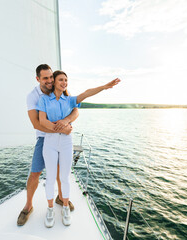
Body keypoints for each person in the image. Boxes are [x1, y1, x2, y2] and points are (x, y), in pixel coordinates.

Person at [37, 70, 120, 227]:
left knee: (64, 177)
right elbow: (42, 121)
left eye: (66, 80)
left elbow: (87, 93)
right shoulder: (44, 100)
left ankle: (66, 207)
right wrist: (63, 127)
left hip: (66, 142)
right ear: (54, 81)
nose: (64, 82)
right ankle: (49, 209)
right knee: (50, 177)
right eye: (61, 79)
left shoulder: (69, 100)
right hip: (50, 141)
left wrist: (104, 86)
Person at [17, 64, 79, 226]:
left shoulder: (60, 88)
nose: (50, 81)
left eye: (51, 77)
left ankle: (60, 198)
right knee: (35, 172)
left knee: (60, 173)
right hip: (44, 138)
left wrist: (66, 122)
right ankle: (28, 206)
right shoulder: (33, 96)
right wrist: (62, 130)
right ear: (38, 79)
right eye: (45, 78)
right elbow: (36, 124)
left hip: (62, 138)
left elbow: (75, 111)